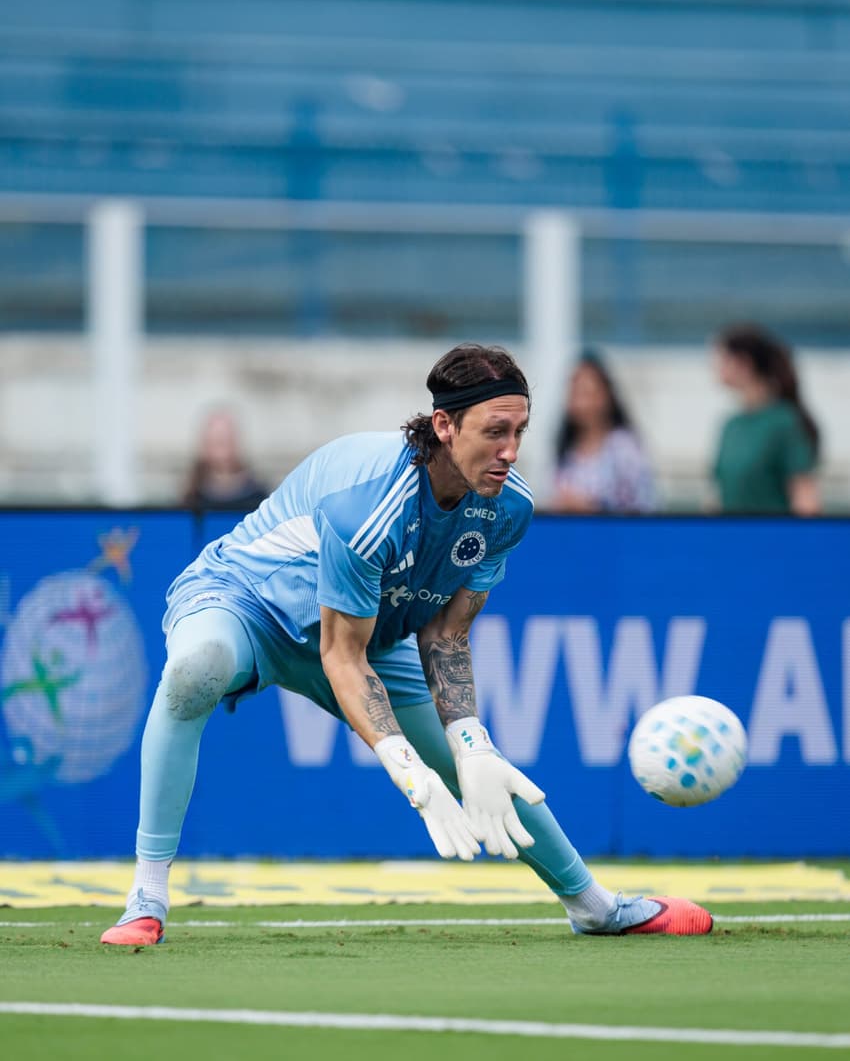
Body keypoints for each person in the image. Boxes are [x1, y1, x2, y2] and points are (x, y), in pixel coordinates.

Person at [101, 343, 711, 946]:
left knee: (484, 773)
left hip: (371, 629)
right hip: (248, 601)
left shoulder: (509, 508)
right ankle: (147, 896)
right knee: (194, 671)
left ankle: (596, 907)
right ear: (445, 425)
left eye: (520, 432)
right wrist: (409, 772)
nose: (511, 453)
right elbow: (340, 656)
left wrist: (470, 746)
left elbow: (446, 634)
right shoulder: (369, 503)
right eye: (495, 432)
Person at [712, 324, 820, 515]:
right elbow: (721, 495)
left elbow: (804, 497)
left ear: (743, 363)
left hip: (773, 539)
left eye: (722, 360)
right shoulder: (731, 425)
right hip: (731, 539)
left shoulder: (784, 422)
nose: (715, 368)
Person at [550, 350, 656, 513]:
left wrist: (590, 507)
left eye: (586, 393)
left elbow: (640, 506)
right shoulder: (566, 451)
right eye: (574, 392)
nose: (579, 402)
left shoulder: (624, 448)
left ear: (606, 396)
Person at [182, 407, 269, 511]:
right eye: (215, 441)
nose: (220, 450)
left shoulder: (257, 495)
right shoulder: (193, 496)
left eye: (224, 440)